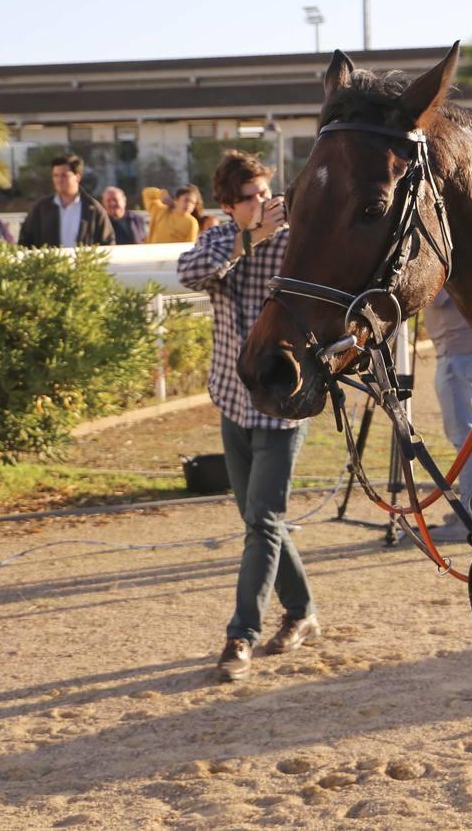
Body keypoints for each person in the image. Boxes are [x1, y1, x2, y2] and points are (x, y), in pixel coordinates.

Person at [176, 151, 318, 683]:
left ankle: (241, 636)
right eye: (252, 197)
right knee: (263, 521)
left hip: (283, 405)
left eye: (266, 192)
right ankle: (303, 613)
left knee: (261, 520)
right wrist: (247, 239)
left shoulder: (295, 238)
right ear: (228, 205)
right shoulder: (219, 239)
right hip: (233, 400)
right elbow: (189, 273)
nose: (265, 203)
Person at [423, 288, 472, 541]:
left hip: (459, 351)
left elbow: (430, 293)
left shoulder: (447, 256)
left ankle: (470, 519)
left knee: (468, 440)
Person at [18, 154, 115, 247]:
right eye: (55, 175)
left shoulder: (93, 210)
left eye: (64, 175)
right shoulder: (41, 208)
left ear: (77, 177)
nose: (59, 180)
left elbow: (107, 244)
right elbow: (25, 242)